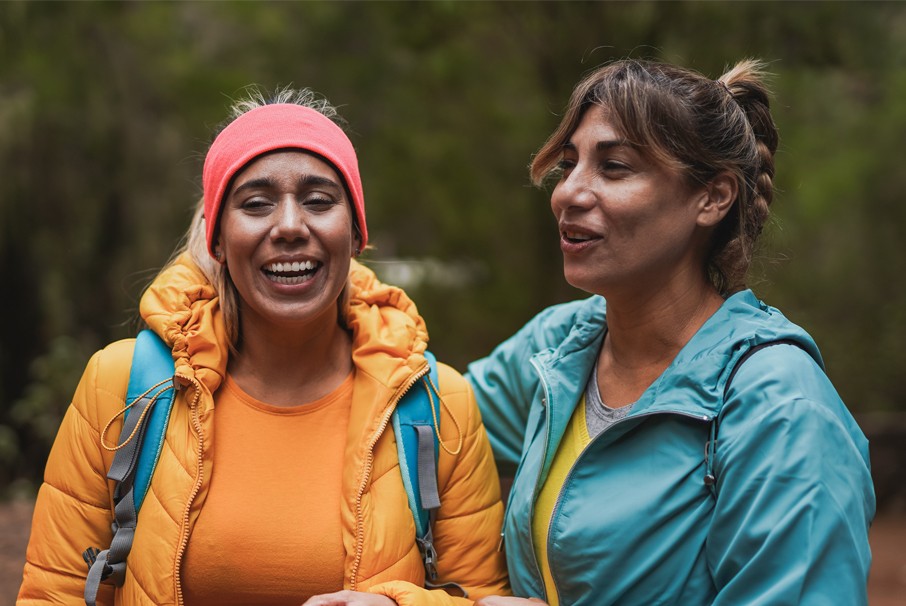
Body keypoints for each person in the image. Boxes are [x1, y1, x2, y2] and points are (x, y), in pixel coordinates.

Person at [18, 88, 508, 605]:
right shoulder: (124, 387)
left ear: (356, 233)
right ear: (218, 242)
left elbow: (481, 597)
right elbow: (54, 593)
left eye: (320, 201)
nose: (291, 226)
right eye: (255, 204)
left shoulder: (437, 406)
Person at [468, 59, 875, 606]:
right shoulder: (560, 347)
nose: (569, 193)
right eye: (569, 165)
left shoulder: (780, 406)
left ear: (713, 197)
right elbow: (417, 415)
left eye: (613, 167)